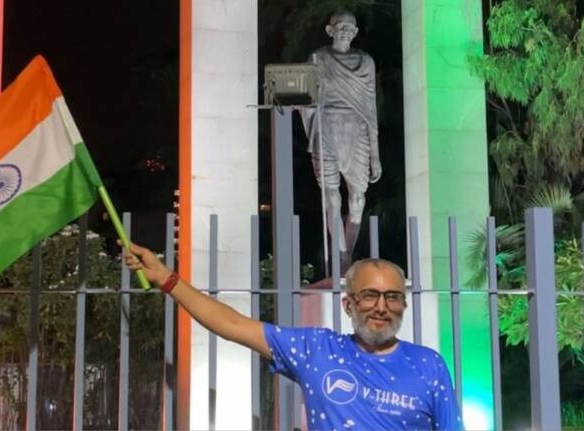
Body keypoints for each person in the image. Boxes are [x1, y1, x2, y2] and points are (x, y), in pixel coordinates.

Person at [123, 242, 463, 430]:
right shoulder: (317, 349)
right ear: (348, 304)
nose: (381, 307)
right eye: (369, 295)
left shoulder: (428, 365)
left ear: (403, 305)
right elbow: (232, 325)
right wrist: (167, 279)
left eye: (393, 297)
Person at [301, 10, 381, 272]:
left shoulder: (366, 62)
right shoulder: (319, 58)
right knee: (331, 195)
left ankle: (347, 252)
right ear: (330, 30)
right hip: (327, 127)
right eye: (340, 26)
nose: (345, 30)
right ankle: (341, 255)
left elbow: (370, 107)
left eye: (350, 27)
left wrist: (375, 155)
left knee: (358, 198)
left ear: (356, 32)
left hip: (357, 131)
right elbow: (306, 97)